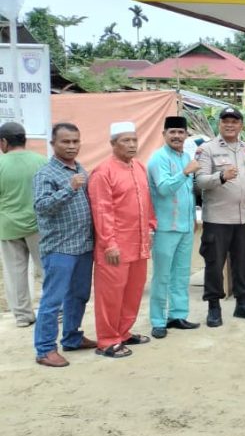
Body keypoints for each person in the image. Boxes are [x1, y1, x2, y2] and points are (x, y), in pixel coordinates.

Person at [88, 121, 157, 358]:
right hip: (114, 247)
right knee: (111, 295)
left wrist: (151, 226)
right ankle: (107, 340)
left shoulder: (139, 167)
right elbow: (102, 210)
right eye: (125, 140)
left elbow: (147, 202)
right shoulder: (102, 172)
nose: (131, 144)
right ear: (112, 144)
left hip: (139, 244)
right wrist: (109, 243)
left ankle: (123, 332)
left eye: (134, 140)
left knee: (133, 291)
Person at [32, 123, 97, 367]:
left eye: (75, 141)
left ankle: (72, 337)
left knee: (79, 296)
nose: (71, 146)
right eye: (65, 142)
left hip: (83, 246)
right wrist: (69, 188)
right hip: (59, 248)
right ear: (53, 144)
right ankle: (45, 349)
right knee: (53, 301)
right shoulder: (45, 174)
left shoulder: (80, 168)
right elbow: (42, 207)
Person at [196, 107, 245, 326]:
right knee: (215, 264)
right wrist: (221, 176)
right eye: (225, 121)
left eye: (234, 121)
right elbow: (200, 182)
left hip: (244, 218)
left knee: (243, 263)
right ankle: (214, 307)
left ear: (241, 125)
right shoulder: (206, 149)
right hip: (217, 219)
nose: (230, 125)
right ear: (220, 124)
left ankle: (243, 304)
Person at [146, 116, 201, 339]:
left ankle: (177, 315)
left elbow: (188, 193)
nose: (177, 136)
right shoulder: (157, 159)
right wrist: (186, 172)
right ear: (164, 134)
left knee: (181, 274)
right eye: (173, 132)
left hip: (186, 226)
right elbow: (164, 190)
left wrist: (193, 219)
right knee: (162, 276)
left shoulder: (186, 156)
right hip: (166, 227)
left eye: (181, 132)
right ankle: (158, 320)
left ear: (186, 134)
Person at [0, 121, 47, 327]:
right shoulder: (41, 162)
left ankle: (22, 316)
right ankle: (56, 310)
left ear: (3, 142)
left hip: (8, 226)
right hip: (38, 225)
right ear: (24, 139)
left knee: (15, 272)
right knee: (47, 269)